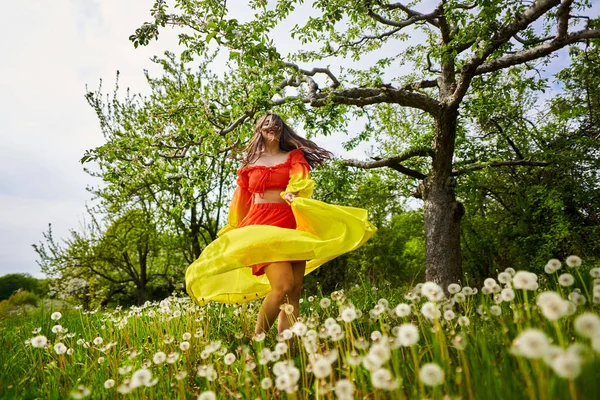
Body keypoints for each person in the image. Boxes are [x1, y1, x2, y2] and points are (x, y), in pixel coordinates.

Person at [185, 113, 376, 337]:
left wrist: (294, 193)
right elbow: (242, 198)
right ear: (259, 130)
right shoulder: (250, 162)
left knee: (294, 292)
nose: (272, 126)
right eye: (266, 124)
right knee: (282, 286)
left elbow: (300, 179)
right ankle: (257, 340)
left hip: (289, 223)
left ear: (282, 129)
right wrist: (236, 228)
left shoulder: (293, 156)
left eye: (276, 124)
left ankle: (287, 350)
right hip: (260, 225)